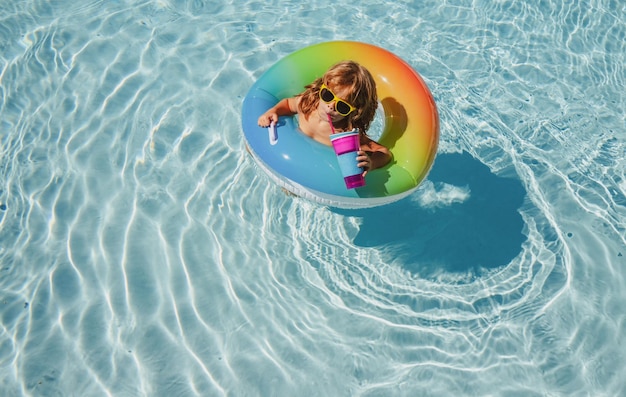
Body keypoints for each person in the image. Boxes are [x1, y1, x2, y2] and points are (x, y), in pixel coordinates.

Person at [257, 61, 391, 176]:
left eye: (342, 106)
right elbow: (288, 104)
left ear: (353, 111)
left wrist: (371, 162)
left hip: (315, 171)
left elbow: (384, 152)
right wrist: (274, 110)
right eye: (328, 96)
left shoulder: (345, 133)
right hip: (293, 156)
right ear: (322, 88)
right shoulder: (308, 104)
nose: (331, 107)